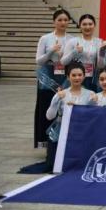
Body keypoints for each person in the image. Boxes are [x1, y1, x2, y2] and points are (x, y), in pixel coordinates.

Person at [34, 8, 73, 148]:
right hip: (48, 75)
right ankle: (46, 141)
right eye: (60, 20)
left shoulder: (72, 39)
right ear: (54, 22)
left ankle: (62, 141)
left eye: (65, 20)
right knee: (46, 106)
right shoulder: (45, 38)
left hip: (65, 75)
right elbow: (38, 61)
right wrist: (51, 51)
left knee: (63, 106)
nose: (63, 22)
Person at [45, 62, 95, 170]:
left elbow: (93, 116)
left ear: (84, 76)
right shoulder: (61, 94)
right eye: (73, 75)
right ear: (68, 77)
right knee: (53, 164)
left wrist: (92, 103)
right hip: (62, 130)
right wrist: (56, 99)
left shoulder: (90, 94)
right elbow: (49, 116)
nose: (77, 78)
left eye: (80, 75)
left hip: (82, 131)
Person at [61, 14, 102, 91]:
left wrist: (102, 54)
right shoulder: (73, 41)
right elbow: (63, 62)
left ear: (94, 25)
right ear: (80, 25)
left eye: (90, 24)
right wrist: (74, 52)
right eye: (84, 24)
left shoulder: (99, 42)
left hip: (91, 78)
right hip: (75, 77)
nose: (87, 27)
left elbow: (100, 65)